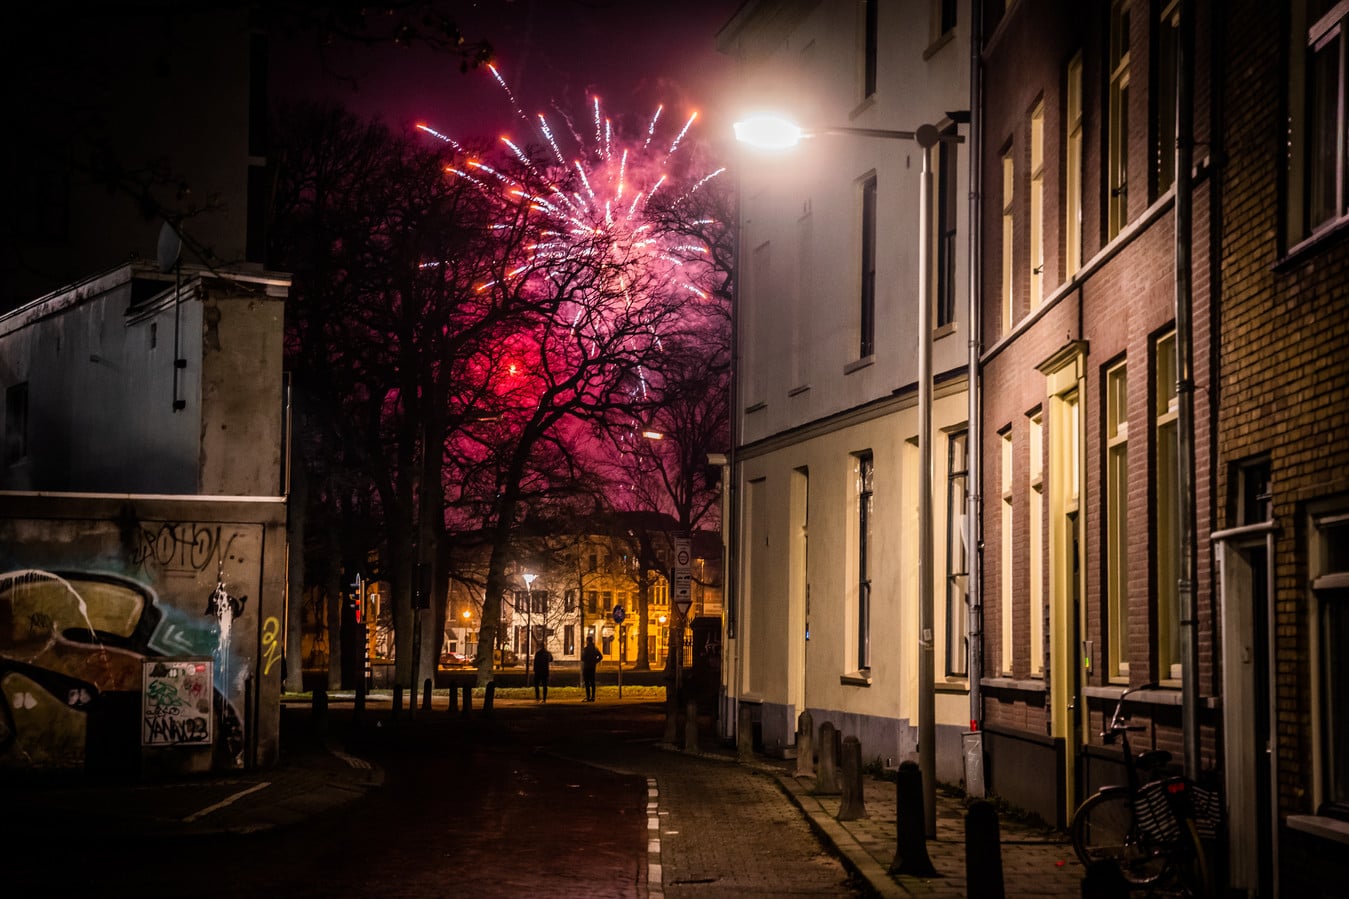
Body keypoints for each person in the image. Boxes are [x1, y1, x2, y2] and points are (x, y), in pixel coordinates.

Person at [580, 635, 602, 702]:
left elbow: (582, 658)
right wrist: (595, 661)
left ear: (587, 641)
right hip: (592, 667)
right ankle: (593, 697)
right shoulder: (595, 649)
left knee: (587, 682)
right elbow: (600, 656)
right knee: (592, 682)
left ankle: (588, 697)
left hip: (586, 667)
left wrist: (585, 659)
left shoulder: (586, 649)